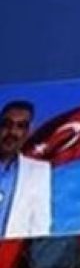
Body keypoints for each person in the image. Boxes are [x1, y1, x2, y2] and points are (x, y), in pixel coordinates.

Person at [0, 100, 51, 239]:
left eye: (21, 126)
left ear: (28, 132)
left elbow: (40, 227)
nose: (12, 131)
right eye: (7, 124)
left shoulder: (39, 172)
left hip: (12, 251)